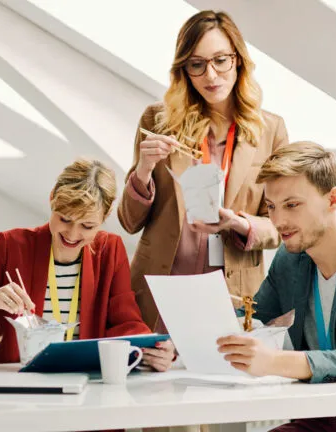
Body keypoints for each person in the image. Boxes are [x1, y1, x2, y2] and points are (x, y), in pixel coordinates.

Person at [118, 10, 289, 332]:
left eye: (221, 60)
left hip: (233, 292)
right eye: (197, 64)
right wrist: (143, 170)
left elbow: (283, 226)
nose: (211, 75)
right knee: (152, 380)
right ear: (184, 70)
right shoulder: (158, 121)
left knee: (223, 377)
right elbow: (129, 222)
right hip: (161, 287)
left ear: (238, 60)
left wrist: (242, 224)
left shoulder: (270, 129)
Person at [0, 158, 175, 370]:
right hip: (18, 385)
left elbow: (126, 323)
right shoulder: (10, 245)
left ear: (105, 217)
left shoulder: (109, 249)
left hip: (85, 385)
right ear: (52, 198)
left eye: (87, 226)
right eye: (65, 219)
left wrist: (154, 349)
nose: (72, 234)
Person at [218, 142, 336, 432]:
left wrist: (275, 361)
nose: (278, 221)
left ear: (332, 199)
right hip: (323, 418)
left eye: (292, 205)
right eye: (271, 207)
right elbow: (255, 320)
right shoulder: (290, 260)